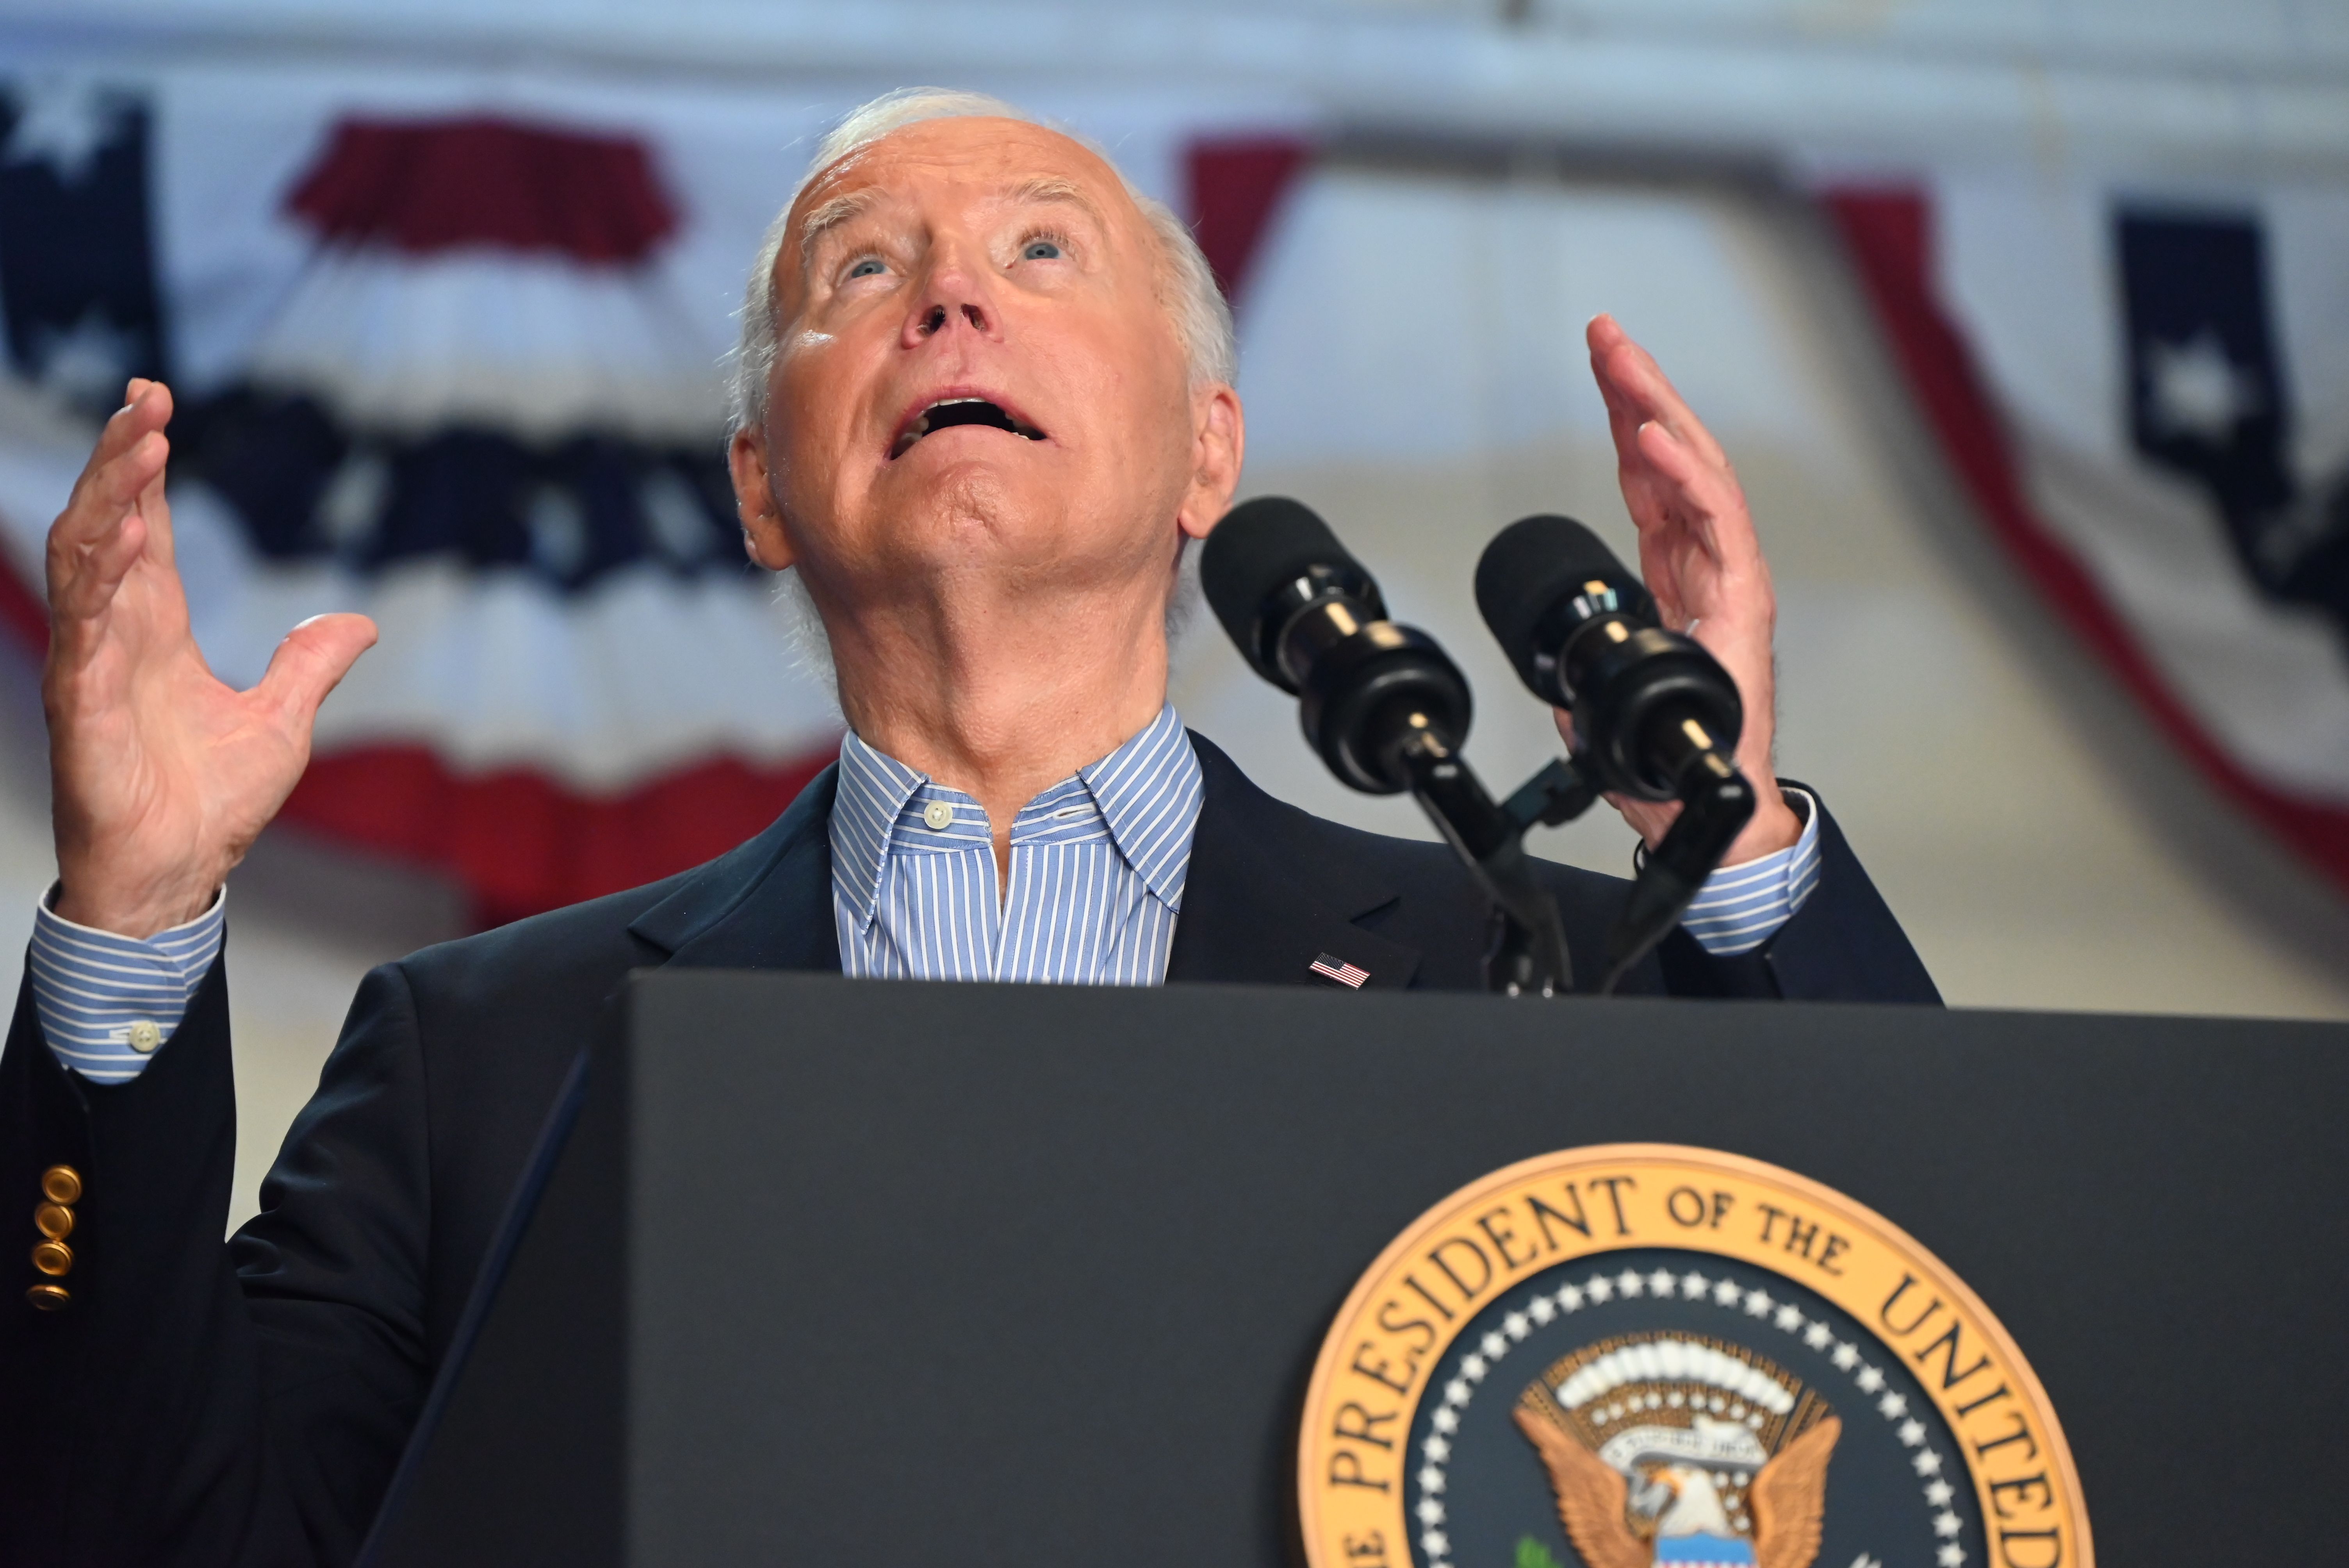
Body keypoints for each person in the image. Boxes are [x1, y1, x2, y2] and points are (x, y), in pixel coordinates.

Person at [0, 89, 1936, 1565]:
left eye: (1038, 254)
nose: (945, 295)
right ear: (762, 490)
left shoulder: (1522, 972)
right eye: (863, 269)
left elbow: (1925, 1313)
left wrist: (1727, 818)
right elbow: (151, 1529)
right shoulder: (481, 1048)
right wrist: (134, 926)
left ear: (1207, 451)